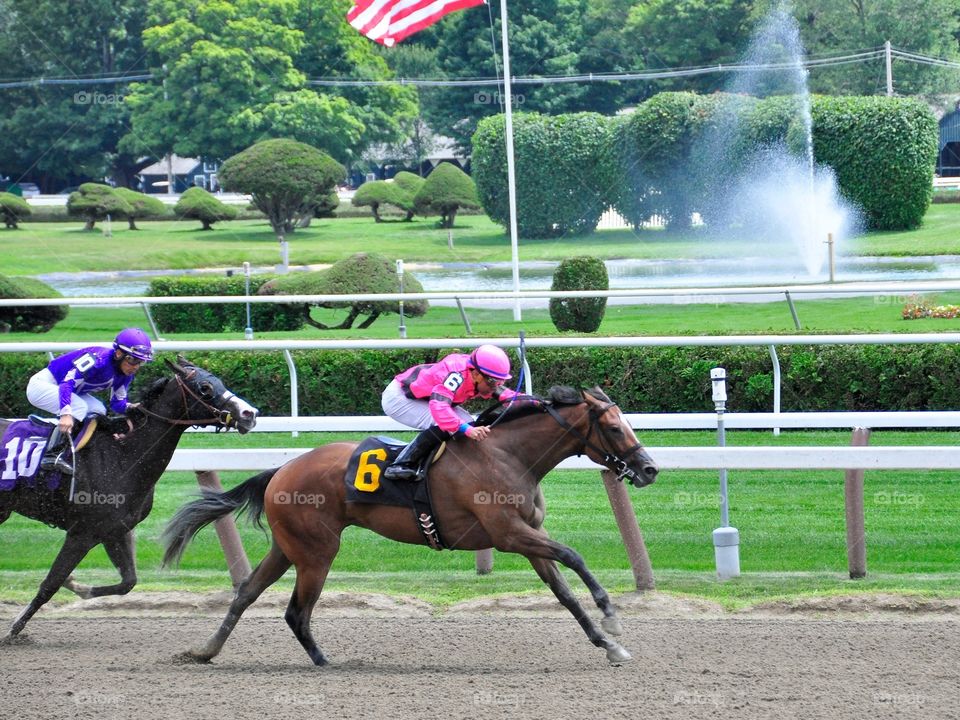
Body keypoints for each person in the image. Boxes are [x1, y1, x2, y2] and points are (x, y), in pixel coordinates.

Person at [380, 344, 520, 481]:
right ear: (476, 374)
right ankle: (401, 464)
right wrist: (466, 429)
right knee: (447, 424)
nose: (496, 386)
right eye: (493, 382)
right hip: (399, 398)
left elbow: (506, 395)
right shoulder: (456, 375)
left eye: (500, 382)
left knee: (467, 421)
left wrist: (533, 402)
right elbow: (440, 408)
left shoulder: (477, 374)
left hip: (423, 397)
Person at [26, 327, 154, 475]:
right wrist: (66, 413)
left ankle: (80, 449)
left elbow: (117, 404)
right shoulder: (97, 359)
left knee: (99, 409)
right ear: (119, 353)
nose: (136, 367)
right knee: (78, 407)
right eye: (132, 360)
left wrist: (134, 407)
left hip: (68, 390)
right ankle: (52, 455)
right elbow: (67, 383)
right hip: (43, 385)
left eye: (141, 362)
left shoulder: (125, 375)